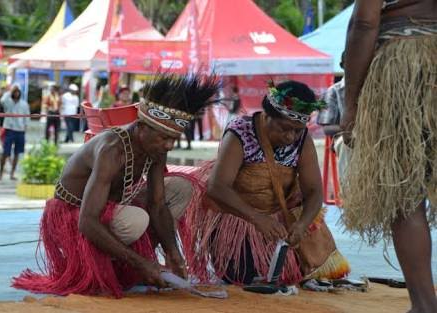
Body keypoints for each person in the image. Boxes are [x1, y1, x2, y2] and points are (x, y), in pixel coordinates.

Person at [12, 73, 220, 298]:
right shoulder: (113, 150)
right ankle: (126, 265)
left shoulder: (155, 148)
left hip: (111, 209)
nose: (169, 145)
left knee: (180, 189)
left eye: (174, 139)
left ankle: (131, 264)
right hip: (71, 217)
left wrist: (173, 252)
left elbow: (158, 204)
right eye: (163, 137)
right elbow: (87, 221)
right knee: (136, 220)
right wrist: (140, 262)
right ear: (142, 126)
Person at [184, 81, 350, 286]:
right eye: (284, 128)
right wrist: (257, 218)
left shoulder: (302, 139)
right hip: (238, 218)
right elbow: (217, 187)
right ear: (267, 115)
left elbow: (314, 190)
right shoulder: (240, 132)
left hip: (279, 220)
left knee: (290, 276)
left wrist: (302, 225)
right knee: (245, 276)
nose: (291, 137)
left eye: (297, 131)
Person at [340, 1, 437, 312]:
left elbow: (365, 23)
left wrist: (351, 101)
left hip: (405, 65)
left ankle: (424, 305)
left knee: (404, 194)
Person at [317, 53, 350, 183]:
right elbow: (327, 128)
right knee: (346, 143)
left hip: (376, 137)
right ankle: (352, 192)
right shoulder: (333, 91)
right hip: (347, 138)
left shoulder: (374, 88)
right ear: (342, 65)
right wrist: (353, 129)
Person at [0, 84, 30, 181]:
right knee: (5, 152)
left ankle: (12, 173)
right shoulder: (8, 102)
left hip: (20, 131)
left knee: (17, 153)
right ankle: (0, 173)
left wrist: (25, 128)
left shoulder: (24, 104)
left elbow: (27, 118)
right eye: (14, 92)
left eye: (17, 92)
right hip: (9, 130)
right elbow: (2, 100)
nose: (16, 93)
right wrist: (9, 91)